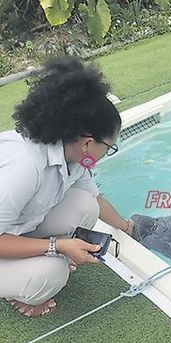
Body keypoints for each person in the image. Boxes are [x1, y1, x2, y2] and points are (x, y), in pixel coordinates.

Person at [0, 56, 134, 317]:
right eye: (109, 147)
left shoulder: (72, 156)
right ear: (87, 143)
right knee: (52, 273)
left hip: (13, 229)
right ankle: (16, 290)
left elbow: (96, 200)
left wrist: (127, 227)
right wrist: (57, 246)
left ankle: (23, 263)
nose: (107, 152)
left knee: (85, 206)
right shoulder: (26, 167)